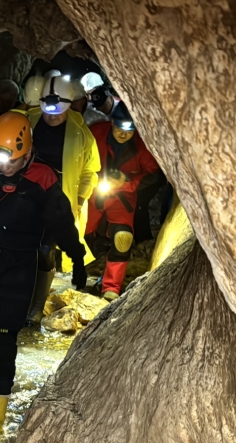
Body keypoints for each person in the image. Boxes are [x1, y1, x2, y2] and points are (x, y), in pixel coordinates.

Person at [0, 111, 86, 434]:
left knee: (3, 340)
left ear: (27, 153)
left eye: (12, 160)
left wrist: (77, 257)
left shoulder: (43, 178)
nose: (4, 166)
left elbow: (62, 223)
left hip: (19, 266)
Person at [25, 73, 100, 324]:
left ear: (68, 105)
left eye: (57, 112)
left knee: (45, 249)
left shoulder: (80, 132)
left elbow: (90, 170)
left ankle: (37, 306)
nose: (52, 116)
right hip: (28, 196)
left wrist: (79, 199)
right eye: (47, 112)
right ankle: (21, 297)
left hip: (59, 201)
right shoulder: (29, 121)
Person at [86, 102, 161, 301]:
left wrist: (127, 181)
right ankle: (76, 270)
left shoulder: (141, 146)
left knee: (123, 237)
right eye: (120, 128)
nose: (123, 134)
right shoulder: (96, 133)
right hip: (92, 191)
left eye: (129, 130)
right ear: (112, 123)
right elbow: (78, 156)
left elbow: (154, 174)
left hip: (122, 196)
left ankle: (111, 287)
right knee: (80, 231)